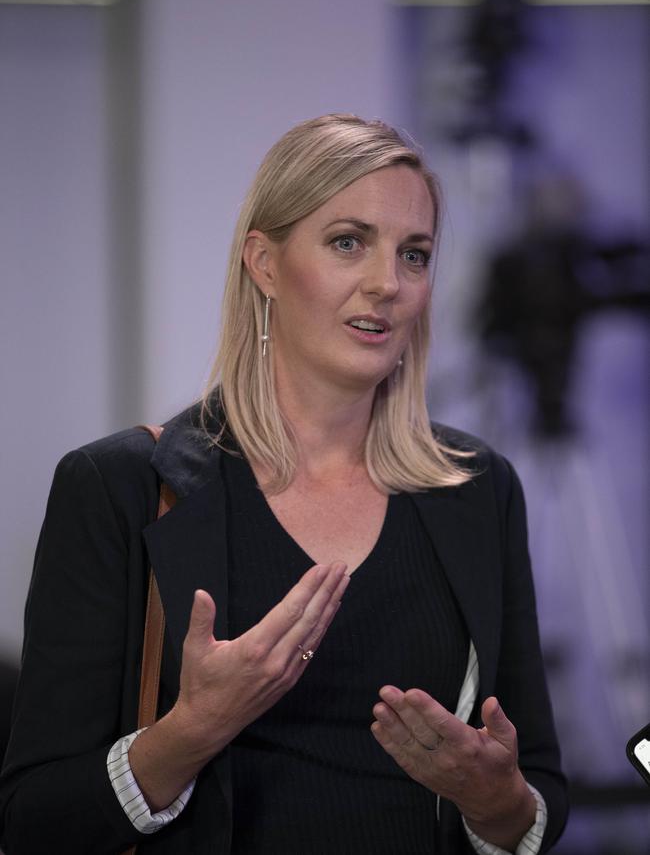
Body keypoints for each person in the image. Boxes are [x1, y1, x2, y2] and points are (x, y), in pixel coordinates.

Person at [0, 114, 568, 854]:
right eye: (347, 242)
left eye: (415, 254)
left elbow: (538, 794)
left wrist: (498, 803)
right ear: (264, 263)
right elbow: (35, 819)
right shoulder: (115, 487)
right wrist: (192, 729)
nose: (386, 283)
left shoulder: (479, 488)